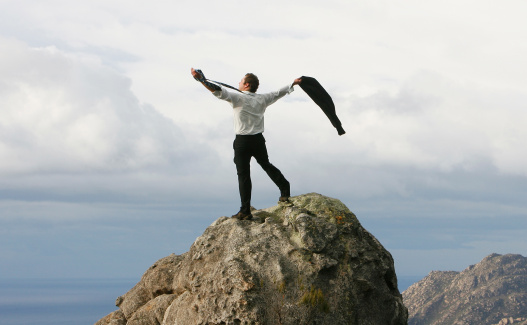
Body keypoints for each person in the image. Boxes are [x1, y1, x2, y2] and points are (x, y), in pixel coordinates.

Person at [191, 68, 302, 220]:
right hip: (258, 140)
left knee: (243, 176)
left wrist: (201, 80)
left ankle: (245, 211)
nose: (238, 83)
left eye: (241, 81)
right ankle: (284, 188)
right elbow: (278, 93)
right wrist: (293, 83)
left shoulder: (237, 97)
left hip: (242, 141)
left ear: (247, 85)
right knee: (265, 164)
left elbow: (217, 90)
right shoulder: (262, 98)